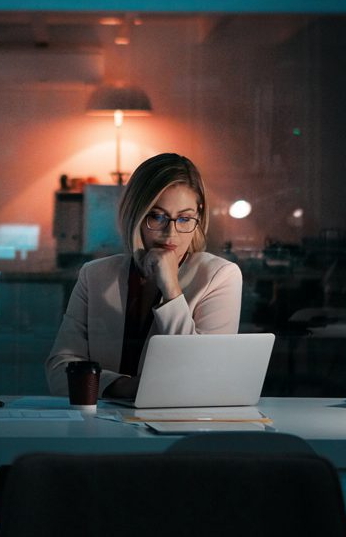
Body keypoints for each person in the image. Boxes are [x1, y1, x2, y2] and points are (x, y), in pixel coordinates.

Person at [44, 152, 243, 398]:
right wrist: (124, 387)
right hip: (101, 422)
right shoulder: (95, 275)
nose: (171, 233)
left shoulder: (220, 276)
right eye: (157, 216)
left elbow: (202, 375)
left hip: (181, 422)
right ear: (136, 215)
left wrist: (172, 290)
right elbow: (59, 371)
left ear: (198, 216)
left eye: (184, 218)